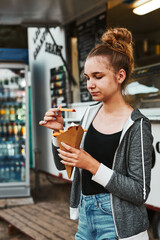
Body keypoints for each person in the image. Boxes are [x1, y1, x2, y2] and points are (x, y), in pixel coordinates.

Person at [39, 27, 153, 240]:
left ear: (120, 76)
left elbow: (140, 192)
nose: (90, 84)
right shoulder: (88, 114)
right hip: (85, 216)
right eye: (87, 77)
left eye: (98, 76)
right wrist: (59, 134)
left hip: (118, 224)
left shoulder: (137, 125)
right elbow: (66, 166)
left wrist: (92, 165)